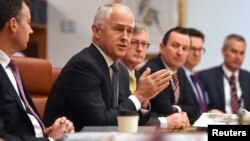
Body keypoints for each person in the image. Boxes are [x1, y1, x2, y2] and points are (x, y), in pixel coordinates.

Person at [44, 4, 172, 131]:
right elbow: (101, 123)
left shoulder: (120, 70)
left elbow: (129, 119)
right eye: (118, 29)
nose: (125, 37)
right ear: (97, 31)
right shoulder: (83, 66)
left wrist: (144, 100)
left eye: (129, 31)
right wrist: (139, 95)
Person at [0, 0, 74, 140]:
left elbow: (22, 125)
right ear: (13, 24)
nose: (31, 30)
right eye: (28, 22)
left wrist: (48, 132)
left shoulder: (11, 67)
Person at [121, 22, 190, 129]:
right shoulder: (149, 71)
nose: (140, 49)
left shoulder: (138, 74)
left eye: (144, 44)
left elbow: (146, 115)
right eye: (134, 42)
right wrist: (164, 121)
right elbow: (122, 116)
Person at [139, 26, 199, 125]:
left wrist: (176, 108)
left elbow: (194, 108)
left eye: (185, 48)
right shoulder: (152, 70)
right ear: (162, 48)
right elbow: (166, 112)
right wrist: (179, 109)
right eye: (175, 46)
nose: (180, 52)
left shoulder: (180, 71)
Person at [198, 34, 250, 114]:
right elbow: (199, 108)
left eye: (242, 53)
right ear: (223, 50)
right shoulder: (206, 77)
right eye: (234, 51)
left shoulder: (248, 78)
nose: (238, 57)